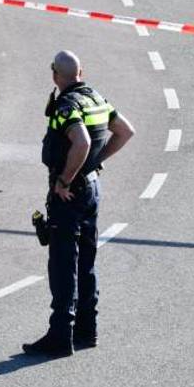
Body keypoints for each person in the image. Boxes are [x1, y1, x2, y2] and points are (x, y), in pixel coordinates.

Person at [23, 51, 134, 357]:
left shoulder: (66, 105)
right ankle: (87, 330)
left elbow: (82, 142)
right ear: (81, 72)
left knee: (62, 265)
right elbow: (125, 131)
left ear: (55, 75)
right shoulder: (96, 98)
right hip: (92, 191)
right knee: (86, 262)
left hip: (69, 195)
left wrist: (64, 180)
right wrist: (93, 164)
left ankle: (60, 336)